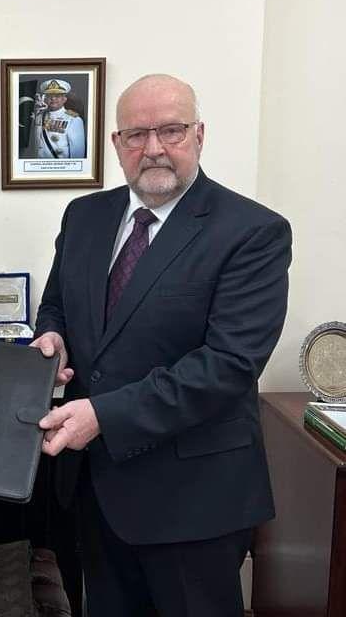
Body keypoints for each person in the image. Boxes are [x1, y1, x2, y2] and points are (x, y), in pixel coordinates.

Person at [31, 73, 292, 616]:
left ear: (199, 135)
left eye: (170, 131)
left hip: (194, 500)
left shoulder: (252, 231)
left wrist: (103, 414)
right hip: (94, 488)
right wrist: (52, 336)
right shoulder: (85, 216)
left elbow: (227, 366)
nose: (153, 148)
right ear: (116, 144)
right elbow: (56, 302)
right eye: (136, 134)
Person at [31, 78, 86, 159]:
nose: (53, 98)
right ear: (45, 98)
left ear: (64, 99)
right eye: (49, 95)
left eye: (57, 96)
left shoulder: (74, 119)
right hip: (40, 166)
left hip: (60, 166)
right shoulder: (39, 116)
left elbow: (78, 154)